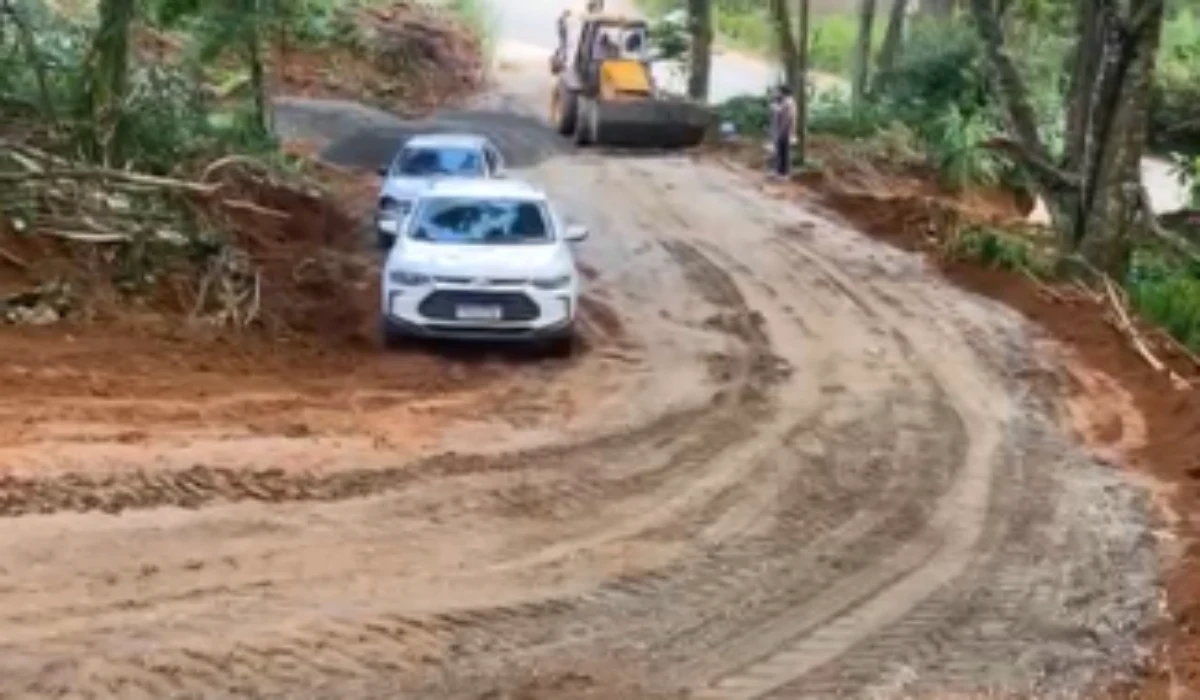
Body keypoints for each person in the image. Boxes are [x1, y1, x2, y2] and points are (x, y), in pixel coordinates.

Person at [769, 86, 796, 179]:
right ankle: (778, 171)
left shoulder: (788, 102)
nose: (776, 93)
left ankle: (784, 174)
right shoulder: (783, 102)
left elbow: (787, 118)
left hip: (785, 131)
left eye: (778, 92)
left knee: (784, 152)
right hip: (781, 130)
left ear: (783, 93)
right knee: (779, 152)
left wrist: (777, 109)